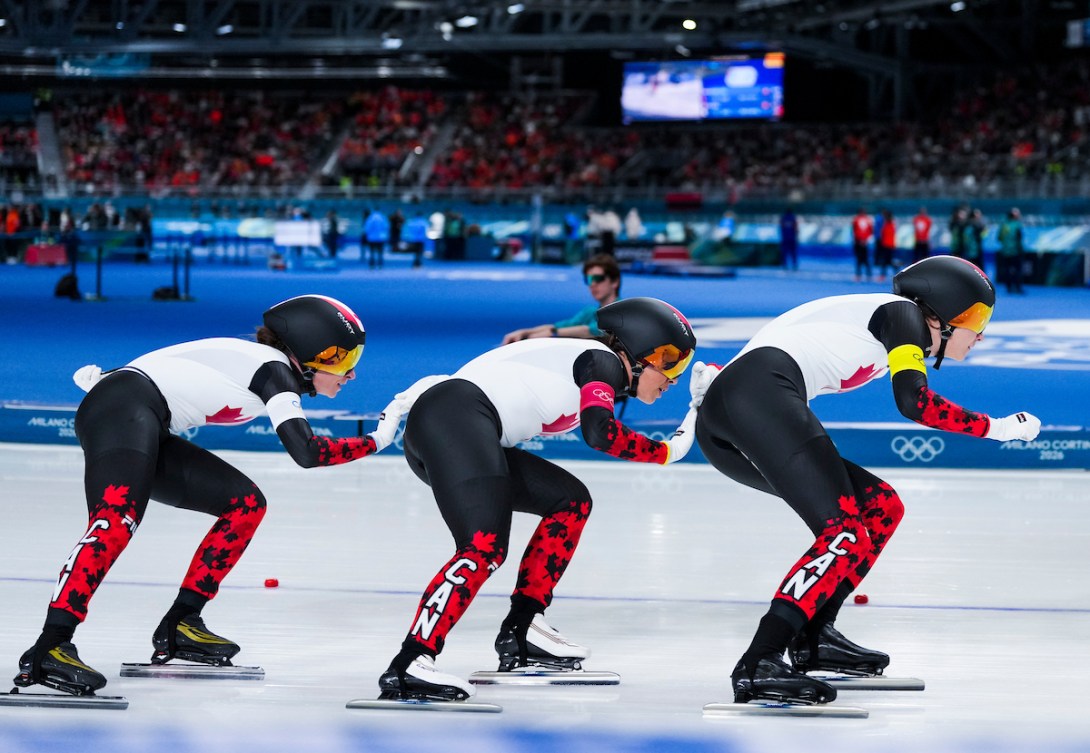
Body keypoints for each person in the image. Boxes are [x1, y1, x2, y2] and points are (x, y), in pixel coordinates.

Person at [13, 295, 414, 697]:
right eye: (343, 360)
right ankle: (49, 646)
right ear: (310, 353)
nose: (352, 374)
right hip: (124, 407)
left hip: (138, 412)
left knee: (245, 505)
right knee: (115, 521)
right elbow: (306, 452)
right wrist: (377, 440)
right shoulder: (276, 371)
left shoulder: (268, 365)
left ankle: (181, 624)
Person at [691, 256, 1041, 706]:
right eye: (976, 317)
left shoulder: (891, 317)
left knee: (880, 507)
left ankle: (812, 636)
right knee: (843, 531)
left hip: (743, 404)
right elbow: (914, 403)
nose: (982, 333)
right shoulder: (904, 315)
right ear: (940, 310)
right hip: (750, 401)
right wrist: (998, 428)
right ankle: (759, 660)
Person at [377, 297, 701, 702]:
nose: (672, 376)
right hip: (454, 419)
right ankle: (411, 661)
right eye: (668, 360)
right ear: (635, 353)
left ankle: (523, 629)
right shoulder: (602, 361)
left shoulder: (592, 363)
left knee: (570, 502)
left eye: (681, 365)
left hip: (457, 423)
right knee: (483, 547)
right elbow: (599, 433)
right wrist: (666, 452)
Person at [501, 254, 620, 345]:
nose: (592, 284)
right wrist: (525, 332)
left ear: (615, 282)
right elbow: (559, 326)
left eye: (598, 278)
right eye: (588, 280)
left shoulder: (623, 312)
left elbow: (591, 330)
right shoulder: (590, 312)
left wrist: (552, 333)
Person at [997, 208, 1025, 294]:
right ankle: (1018, 287)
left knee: (1007, 269)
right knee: (1017, 270)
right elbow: (1019, 239)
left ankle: (1008, 287)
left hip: (1005, 251)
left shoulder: (1003, 225)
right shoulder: (1017, 225)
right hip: (1015, 251)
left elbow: (999, 238)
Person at [850, 207, 873, 282]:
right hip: (859, 241)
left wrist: (865, 240)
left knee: (864, 259)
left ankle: (867, 274)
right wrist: (860, 240)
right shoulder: (857, 220)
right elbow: (854, 230)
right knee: (860, 259)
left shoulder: (866, 220)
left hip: (863, 242)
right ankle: (860, 274)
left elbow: (870, 231)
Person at [874, 209, 895, 282]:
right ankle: (885, 274)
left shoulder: (888, 225)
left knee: (886, 262)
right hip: (888, 245)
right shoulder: (889, 224)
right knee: (887, 261)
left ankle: (883, 275)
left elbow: (885, 235)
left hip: (887, 245)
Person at [779, 206, 799, 271]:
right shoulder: (793, 218)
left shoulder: (783, 218)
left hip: (785, 238)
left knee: (784, 252)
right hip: (792, 238)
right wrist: (796, 236)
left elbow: (781, 227)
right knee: (793, 252)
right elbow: (796, 228)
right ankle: (794, 265)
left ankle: (785, 265)